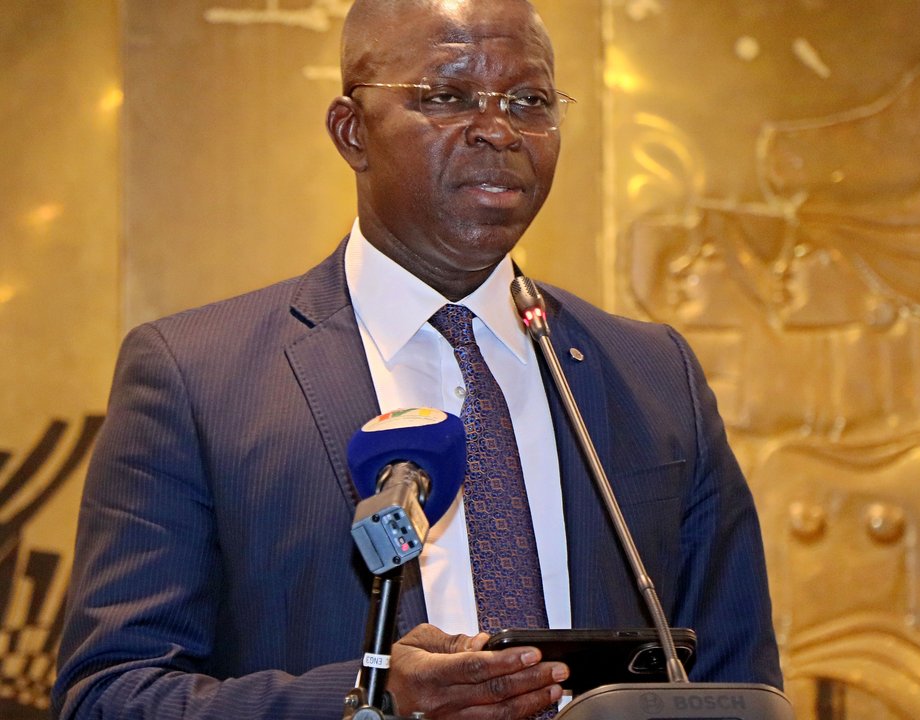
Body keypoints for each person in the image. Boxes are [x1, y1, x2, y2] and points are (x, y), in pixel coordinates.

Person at [52, 1, 781, 718]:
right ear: (351, 131)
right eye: (448, 96)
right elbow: (111, 695)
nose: (498, 130)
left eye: (529, 100)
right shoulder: (195, 379)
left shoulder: (655, 374)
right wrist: (372, 700)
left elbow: (734, 679)